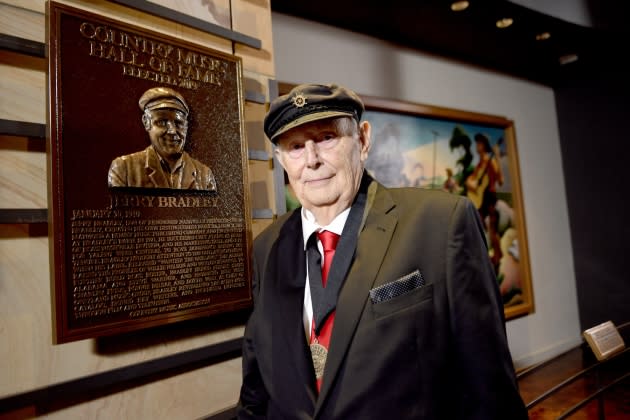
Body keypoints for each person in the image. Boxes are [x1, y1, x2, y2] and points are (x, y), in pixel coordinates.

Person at [237, 83, 528, 419]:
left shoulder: (440, 224)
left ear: (362, 139)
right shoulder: (266, 249)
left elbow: (490, 391)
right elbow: (256, 389)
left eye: (326, 138)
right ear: (280, 160)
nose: (311, 161)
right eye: (296, 147)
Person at [107, 86, 217, 191]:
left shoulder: (205, 175)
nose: (172, 131)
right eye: (162, 122)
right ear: (146, 122)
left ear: (186, 126)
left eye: (179, 123)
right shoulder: (124, 169)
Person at [466, 133, 504, 269]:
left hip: (489, 198)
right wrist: (471, 184)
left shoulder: (489, 161)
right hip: (481, 200)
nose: (477, 146)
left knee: (492, 229)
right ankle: (486, 257)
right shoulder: (480, 163)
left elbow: (500, 180)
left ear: (484, 145)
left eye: (479, 143)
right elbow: (472, 180)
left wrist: (497, 156)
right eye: (476, 143)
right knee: (478, 227)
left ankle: (498, 258)